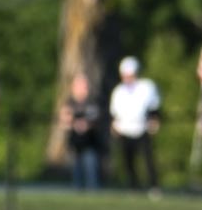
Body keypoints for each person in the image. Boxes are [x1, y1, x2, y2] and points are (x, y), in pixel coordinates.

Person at [109, 56, 161, 194]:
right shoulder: (118, 91)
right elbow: (114, 113)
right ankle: (132, 186)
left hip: (142, 128)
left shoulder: (146, 87)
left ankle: (153, 186)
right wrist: (114, 125)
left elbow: (154, 108)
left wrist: (154, 120)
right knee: (128, 161)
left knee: (148, 159)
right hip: (125, 129)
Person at [60, 73, 104, 190]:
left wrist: (85, 124)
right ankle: (77, 188)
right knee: (76, 169)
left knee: (91, 167)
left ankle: (93, 188)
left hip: (90, 142)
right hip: (75, 142)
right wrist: (74, 123)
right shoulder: (69, 102)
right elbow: (64, 119)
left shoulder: (92, 102)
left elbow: (95, 119)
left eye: (84, 85)